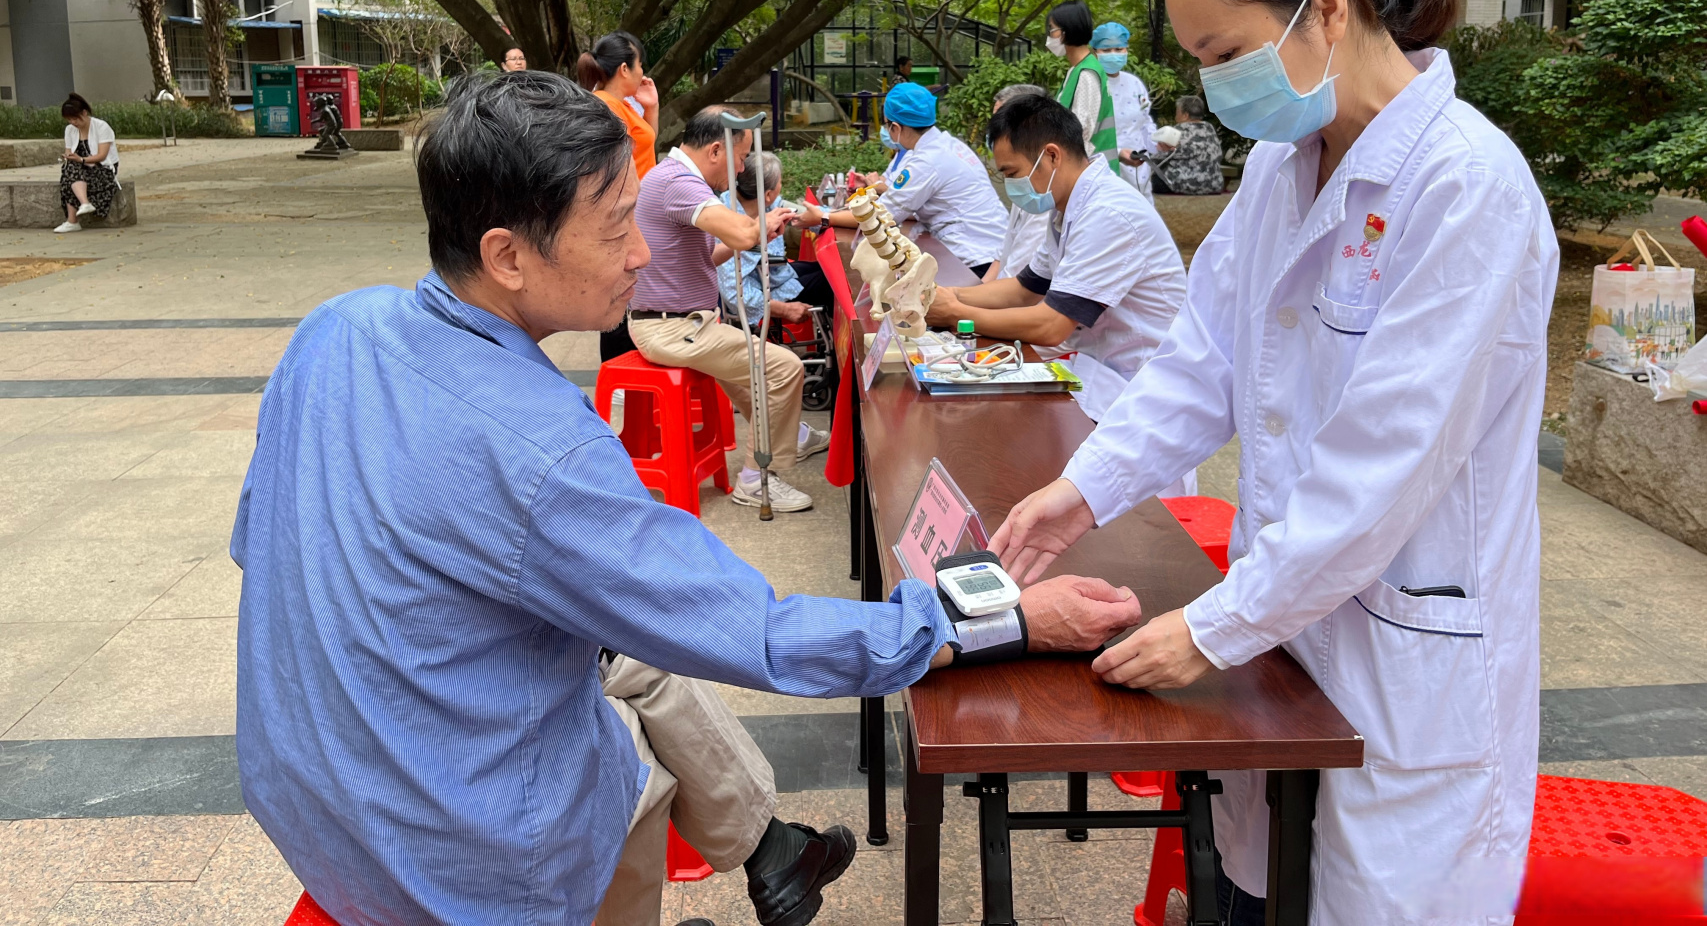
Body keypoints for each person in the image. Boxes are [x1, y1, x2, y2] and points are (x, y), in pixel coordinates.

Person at [231, 71, 1144, 926]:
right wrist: (1001, 618)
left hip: (307, 803)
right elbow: (761, 630)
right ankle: (752, 845)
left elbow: (258, 546)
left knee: (633, 680)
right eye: (615, 225)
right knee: (635, 751)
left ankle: (763, 844)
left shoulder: (334, 329)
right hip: (465, 860)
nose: (640, 252)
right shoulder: (543, 449)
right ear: (507, 255)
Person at [988, 0, 1557, 926]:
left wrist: (1216, 623)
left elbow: (1383, 468)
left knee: (1355, 896)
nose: (1213, 87)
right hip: (1296, 628)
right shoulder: (1282, 169)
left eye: (1226, 53)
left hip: (1405, 652)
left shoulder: (1466, 188)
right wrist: (1086, 486)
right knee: (1265, 885)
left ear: (1327, 7)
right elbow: (1204, 360)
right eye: (1198, 62)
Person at [926, 94, 1187, 426]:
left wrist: (956, 314)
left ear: (1051, 156)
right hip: (1099, 373)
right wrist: (948, 295)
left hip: (1139, 391)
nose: (1010, 185)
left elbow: (1051, 325)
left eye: (1012, 172)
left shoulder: (1108, 214)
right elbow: (1024, 289)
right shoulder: (1068, 208)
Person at [627, 106, 825, 513]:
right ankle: (756, 479)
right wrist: (758, 224)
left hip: (687, 323)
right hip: (672, 328)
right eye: (741, 158)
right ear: (717, 150)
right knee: (783, 368)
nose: (741, 173)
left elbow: (713, 254)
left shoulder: (675, 178)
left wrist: (756, 233)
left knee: (761, 380)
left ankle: (788, 436)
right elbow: (737, 230)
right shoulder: (679, 182)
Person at [823, 82, 1006, 276]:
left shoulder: (927, 161)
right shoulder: (949, 145)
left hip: (973, 258)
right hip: (992, 247)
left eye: (887, 126)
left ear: (895, 127)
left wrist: (824, 217)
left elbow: (879, 218)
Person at [718, 153, 836, 319]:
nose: (781, 186)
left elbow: (797, 211)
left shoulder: (754, 201)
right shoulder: (728, 223)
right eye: (780, 182)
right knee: (832, 282)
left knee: (827, 268)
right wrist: (783, 310)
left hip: (772, 274)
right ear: (767, 194)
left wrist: (835, 216)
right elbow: (734, 294)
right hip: (763, 294)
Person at [982, 82, 1052, 283]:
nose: (992, 131)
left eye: (1000, 122)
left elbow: (1018, 285)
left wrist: (959, 303)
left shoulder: (1045, 198)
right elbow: (1004, 254)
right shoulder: (1025, 182)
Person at [578, 30, 659, 180]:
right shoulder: (608, 106)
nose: (642, 72)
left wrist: (651, 107)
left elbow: (644, 146)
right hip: (631, 200)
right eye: (640, 65)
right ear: (624, 69)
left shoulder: (621, 104)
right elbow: (619, 166)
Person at [1047, 0, 1118, 174]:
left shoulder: (1087, 73)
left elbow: (1080, 131)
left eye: (1052, 29)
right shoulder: (1078, 70)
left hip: (1090, 174)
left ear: (1066, 30)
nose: (1050, 36)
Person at [1092, 21, 1156, 199]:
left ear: (1127, 50)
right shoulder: (1090, 85)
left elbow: (1145, 123)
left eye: (1119, 49)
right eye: (1106, 50)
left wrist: (1158, 142)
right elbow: (1083, 134)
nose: (1113, 55)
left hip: (1138, 174)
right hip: (1103, 173)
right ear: (1094, 52)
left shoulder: (1134, 84)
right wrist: (1118, 152)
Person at [54, 93, 120, 234]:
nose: (73, 122)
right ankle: (83, 205)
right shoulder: (70, 130)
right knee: (68, 171)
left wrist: (82, 160)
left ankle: (73, 220)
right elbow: (69, 152)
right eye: (69, 120)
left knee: (70, 173)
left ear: (84, 113)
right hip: (79, 169)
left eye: (75, 118)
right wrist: (68, 157)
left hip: (103, 169)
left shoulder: (101, 127)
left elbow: (102, 156)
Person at [1148, 94, 1226, 196]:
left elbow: (1157, 158)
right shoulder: (1209, 129)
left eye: (1177, 112)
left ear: (1185, 115)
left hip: (1183, 183)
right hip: (1213, 183)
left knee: (1148, 179)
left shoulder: (1176, 132)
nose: (1176, 116)